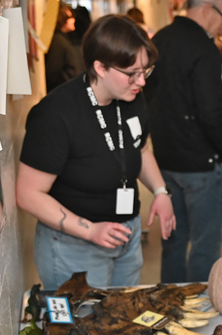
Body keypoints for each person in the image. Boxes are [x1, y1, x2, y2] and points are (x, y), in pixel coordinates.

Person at [18, 15, 175, 291]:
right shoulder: (56, 114)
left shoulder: (130, 97)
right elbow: (28, 195)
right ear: (100, 67)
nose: (142, 82)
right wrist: (90, 230)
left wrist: (160, 191)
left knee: (122, 321)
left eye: (145, 71)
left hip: (126, 235)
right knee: (82, 331)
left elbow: (140, 148)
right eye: (132, 73)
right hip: (74, 246)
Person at [146, 0, 222, 283]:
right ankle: (199, 311)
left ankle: (170, 305)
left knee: (173, 243)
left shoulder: (159, 40)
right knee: (204, 246)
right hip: (203, 165)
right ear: (206, 7)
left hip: (166, 163)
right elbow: (211, 113)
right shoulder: (204, 49)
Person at [45, 5, 83, 92]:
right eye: (69, 17)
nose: (73, 20)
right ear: (61, 20)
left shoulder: (62, 39)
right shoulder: (58, 41)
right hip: (63, 90)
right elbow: (53, 71)